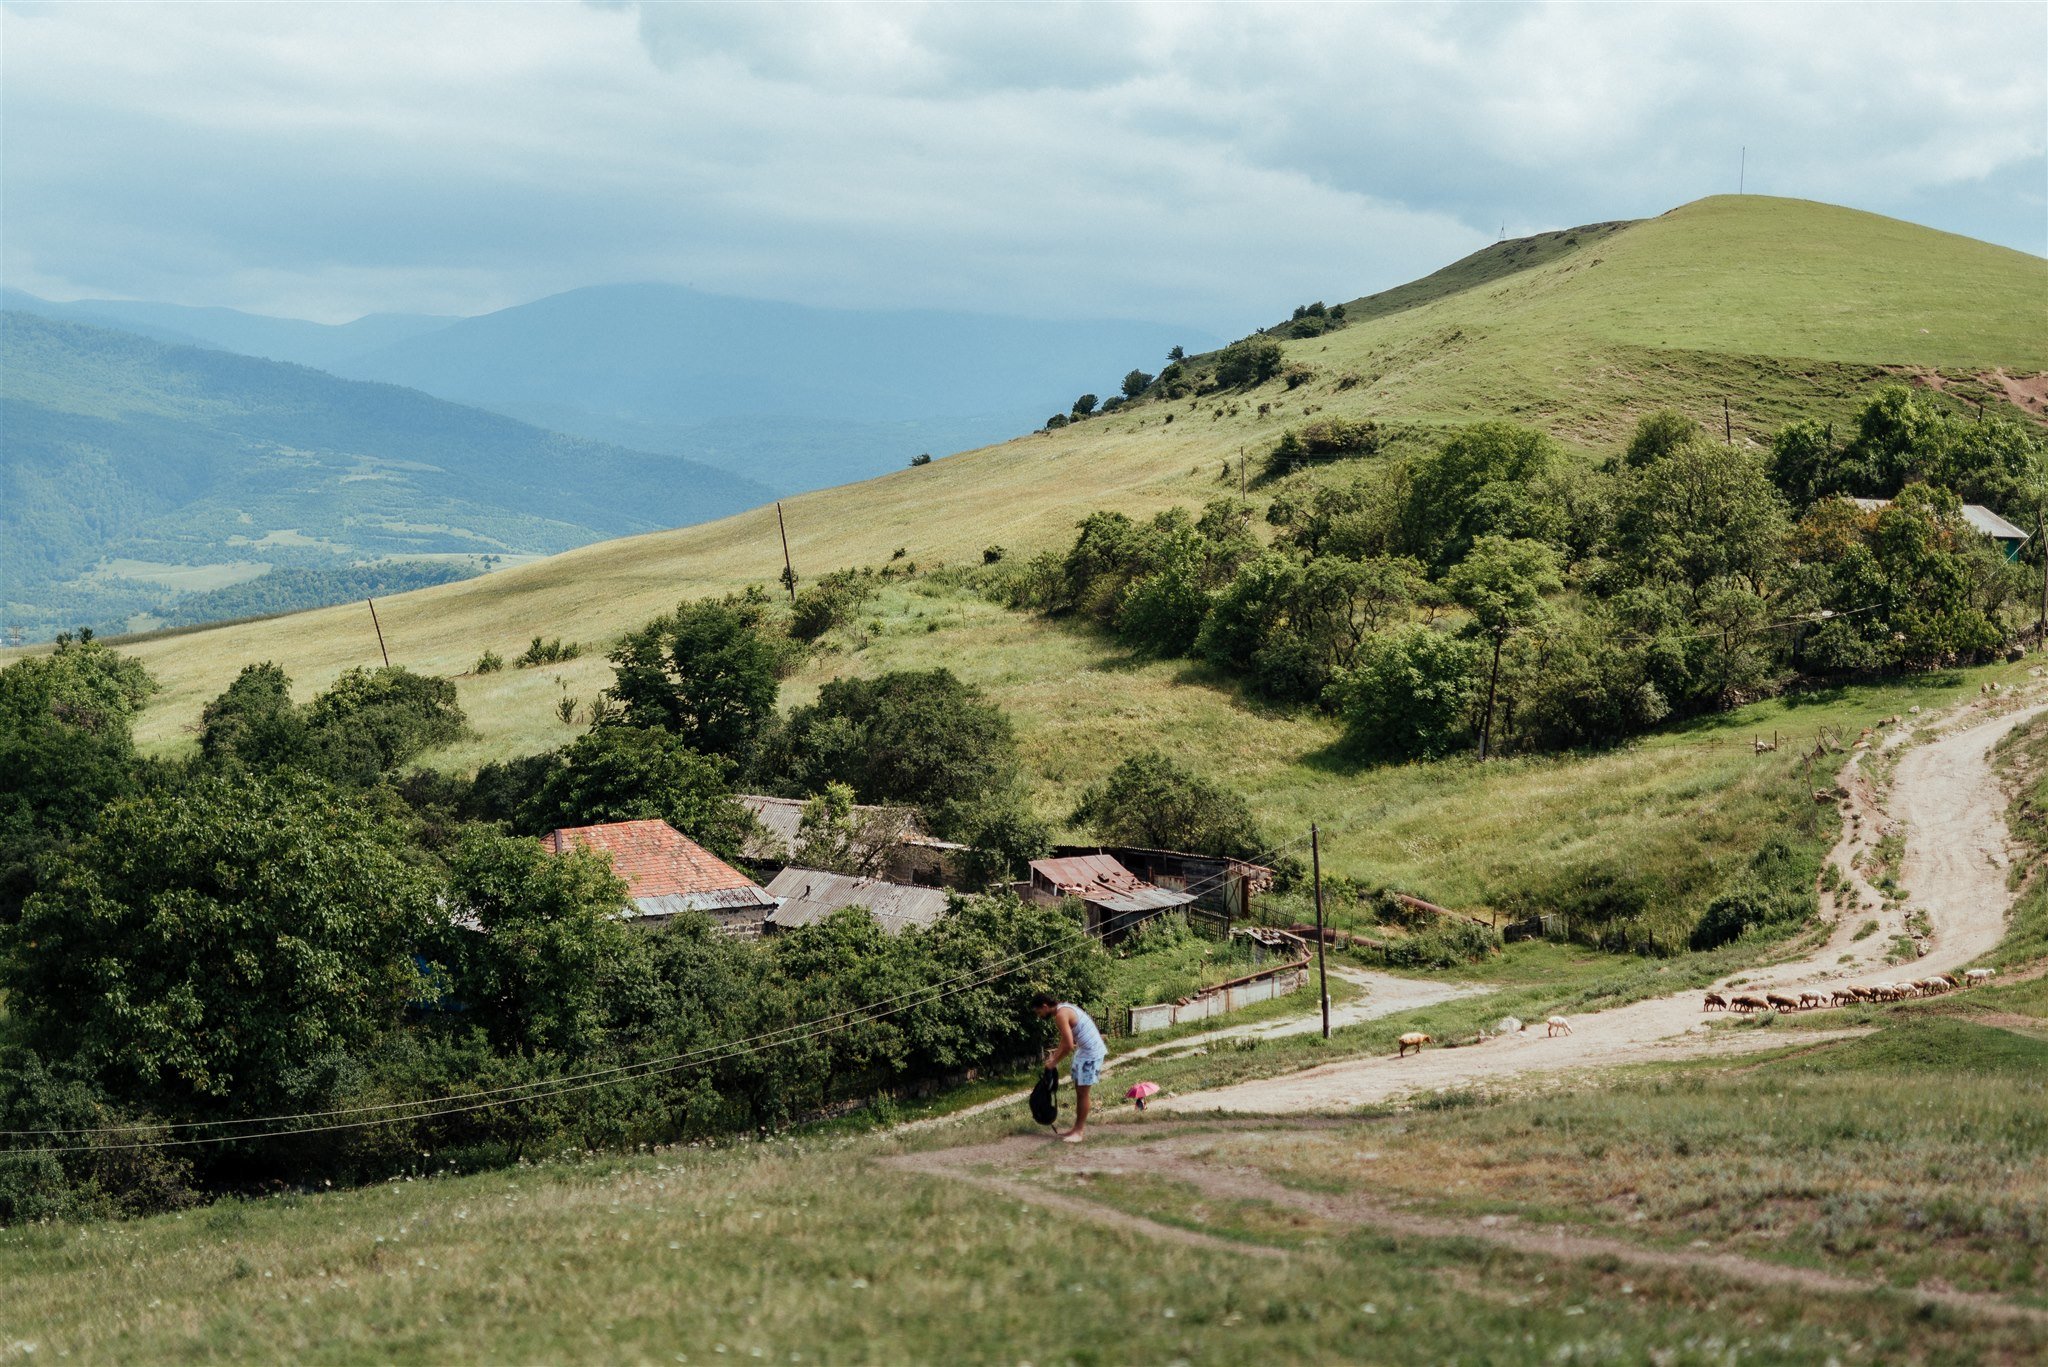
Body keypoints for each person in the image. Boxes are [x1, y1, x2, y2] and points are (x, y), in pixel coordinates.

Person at [1031, 992, 1105, 1143]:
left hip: (1091, 1053)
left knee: (1083, 1093)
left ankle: (1079, 1132)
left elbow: (1069, 1046)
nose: (1039, 1016)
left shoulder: (1060, 1015)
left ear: (1045, 1006)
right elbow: (1065, 1040)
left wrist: (1053, 1063)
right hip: (1084, 1051)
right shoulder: (1063, 1008)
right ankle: (1075, 1129)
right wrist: (1054, 1058)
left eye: (1039, 1012)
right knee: (1079, 1092)